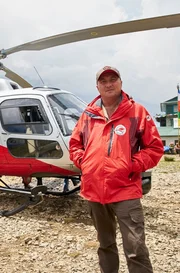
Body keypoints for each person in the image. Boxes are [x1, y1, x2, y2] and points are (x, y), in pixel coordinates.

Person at [69, 66, 164, 273]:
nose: (109, 84)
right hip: (94, 192)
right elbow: (75, 144)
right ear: (97, 86)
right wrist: (84, 162)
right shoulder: (88, 114)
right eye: (104, 81)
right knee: (105, 245)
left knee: (136, 248)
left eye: (113, 79)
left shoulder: (137, 111)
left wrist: (130, 165)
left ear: (121, 82)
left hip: (125, 190)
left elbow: (155, 148)